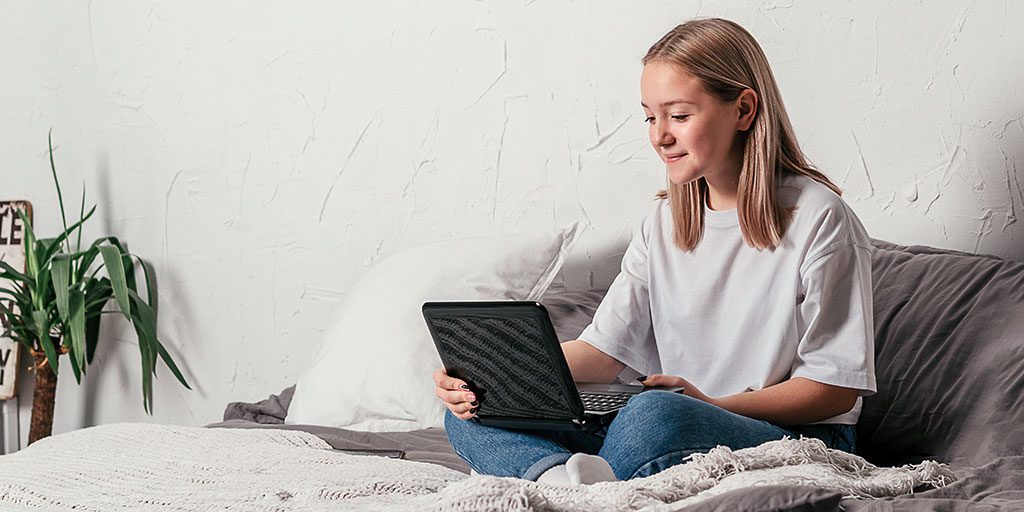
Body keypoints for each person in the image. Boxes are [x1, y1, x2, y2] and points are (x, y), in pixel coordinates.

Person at [433, 17, 876, 486]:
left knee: (654, 414)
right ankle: (564, 483)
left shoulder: (821, 219)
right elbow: (603, 353)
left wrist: (708, 404)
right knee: (472, 415)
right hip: (669, 417)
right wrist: (493, 375)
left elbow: (834, 389)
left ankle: (590, 479)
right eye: (650, 116)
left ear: (743, 110)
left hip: (784, 432)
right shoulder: (663, 224)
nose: (659, 135)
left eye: (679, 116)